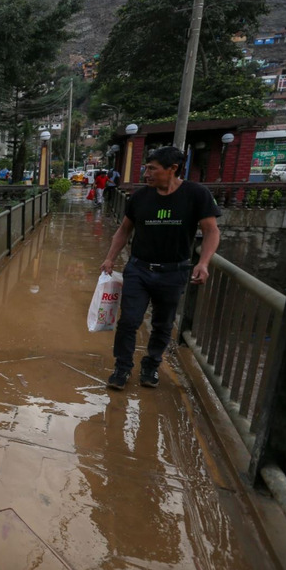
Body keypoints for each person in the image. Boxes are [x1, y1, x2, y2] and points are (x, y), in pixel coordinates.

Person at [99, 146, 220, 389]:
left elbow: (211, 231)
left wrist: (203, 263)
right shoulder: (140, 197)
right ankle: (122, 368)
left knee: (163, 324)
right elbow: (124, 230)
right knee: (128, 321)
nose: (146, 173)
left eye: (152, 168)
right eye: (146, 168)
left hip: (173, 272)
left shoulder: (196, 194)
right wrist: (110, 257)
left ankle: (151, 365)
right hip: (139, 269)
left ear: (173, 169)